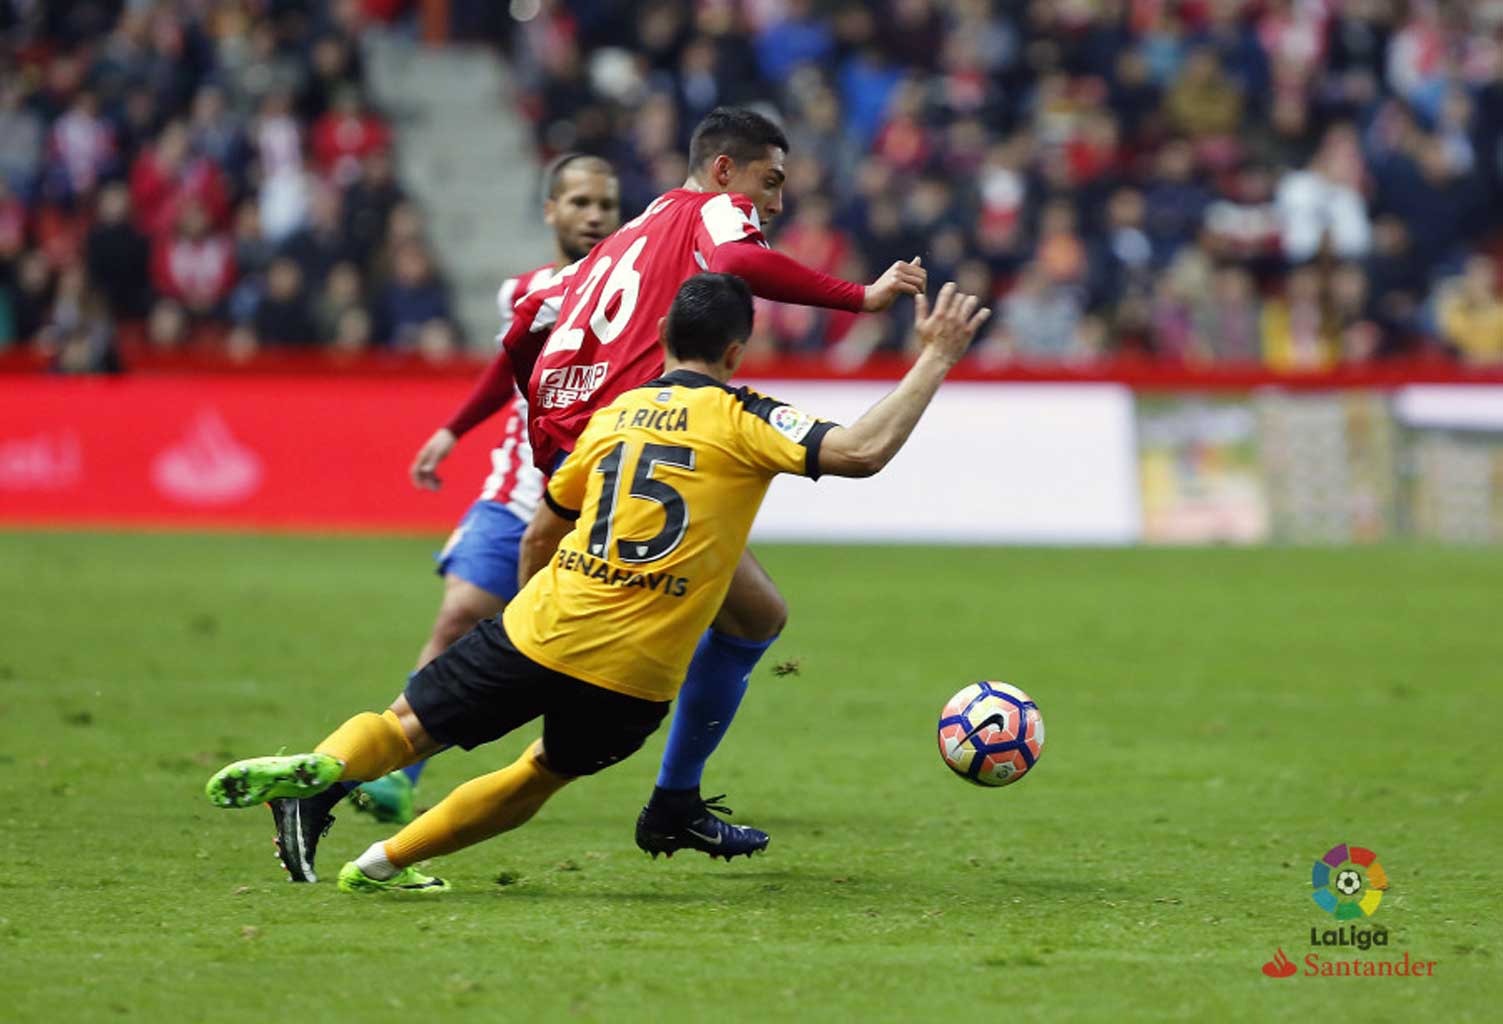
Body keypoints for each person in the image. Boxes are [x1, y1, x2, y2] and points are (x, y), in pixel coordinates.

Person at [206, 272, 990, 894]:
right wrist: (936, 357)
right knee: (539, 772)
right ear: (736, 351)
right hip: (635, 677)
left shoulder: (615, 416)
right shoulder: (749, 416)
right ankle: (380, 865)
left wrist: (532, 617)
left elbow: (545, 526)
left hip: (544, 625)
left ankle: (327, 771)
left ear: (659, 336)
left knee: (408, 725)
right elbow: (859, 451)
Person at [466, 107, 926, 863]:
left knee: (751, 614)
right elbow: (739, 265)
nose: (773, 203)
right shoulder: (713, 211)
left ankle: (668, 797)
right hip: (636, 446)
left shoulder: (632, 230)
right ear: (723, 170)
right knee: (601, 648)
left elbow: (524, 326)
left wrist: (546, 410)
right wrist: (860, 297)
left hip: (581, 443)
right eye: (767, 182)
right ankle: (645, 782)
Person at [266, 155, 619, 882]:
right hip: (516, 494)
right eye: (580, 201)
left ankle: (675, 787)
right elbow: (503, 371)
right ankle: (394, 777)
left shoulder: (631, 291)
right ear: (549, 210)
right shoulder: (524, 292)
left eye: (607, 204)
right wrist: (453, 430)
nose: (594, 215)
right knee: (459, 616)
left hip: (594, 507)